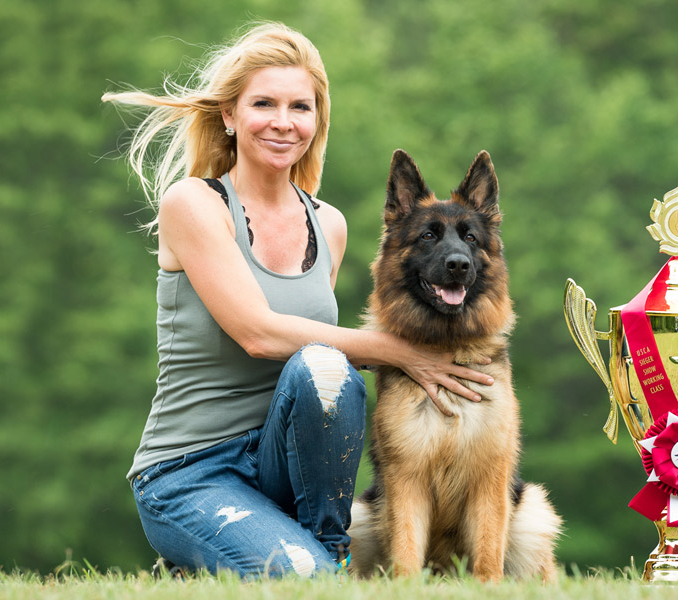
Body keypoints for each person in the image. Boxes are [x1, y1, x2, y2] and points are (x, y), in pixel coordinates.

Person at [101, 22, 493, 579]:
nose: (284, 122)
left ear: (317, 121)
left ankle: (319, 547)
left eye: (300, 107)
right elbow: (260, 334)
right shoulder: (194, 204)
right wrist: (397, 350)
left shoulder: (327, 224)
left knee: (323, 369)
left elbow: (311, 365)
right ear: (230, 116)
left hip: (280, 461)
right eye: (264, 103)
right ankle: (261, 555)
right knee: (304, 577)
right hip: (191, 470)